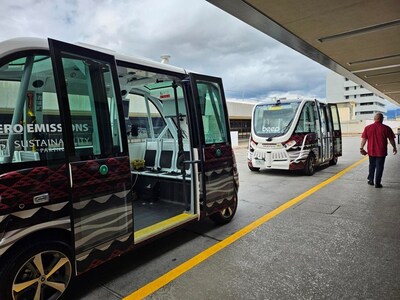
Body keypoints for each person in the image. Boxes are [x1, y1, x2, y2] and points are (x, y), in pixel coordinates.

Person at [360, 113, 397, 188]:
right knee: (379, 167)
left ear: (374, 119)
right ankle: (377, 183)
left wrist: (361, 148)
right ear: (382, 119)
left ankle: (371, 180)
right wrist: (394, 147)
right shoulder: (386, 128)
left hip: (371, 151)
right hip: (381, 151)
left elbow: (364, 139)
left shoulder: (368, 128)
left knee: (371, 165)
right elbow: (391, 139)